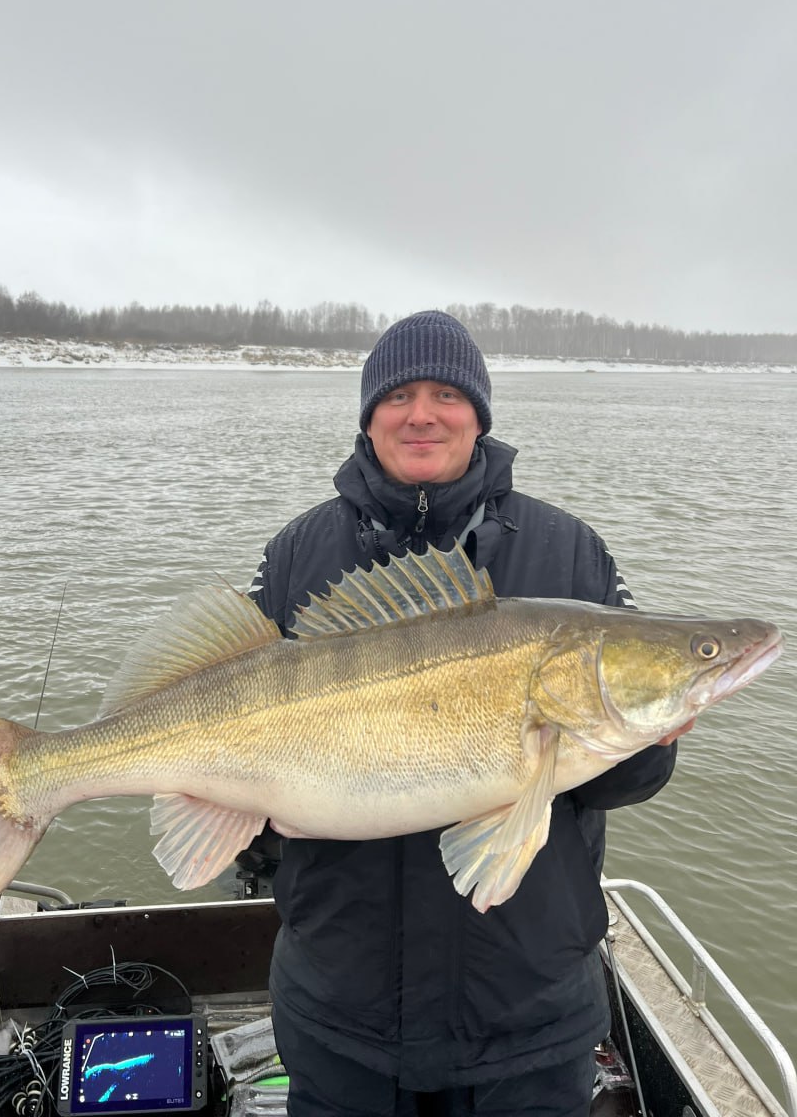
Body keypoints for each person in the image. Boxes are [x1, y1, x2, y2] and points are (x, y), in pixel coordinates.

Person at [246, 310, 683, 1117]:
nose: (422, 413)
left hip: (527, 1012)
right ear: (368, 414)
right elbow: (224, 721)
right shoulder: (295, 553)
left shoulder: (572, 551)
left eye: (447, 393)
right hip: (342, 1006)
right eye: (399, 394)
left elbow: (630, 781)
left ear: (479, 413)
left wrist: (654, 732)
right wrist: (263, 818)